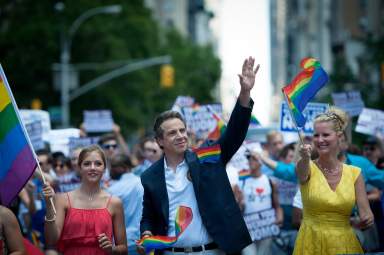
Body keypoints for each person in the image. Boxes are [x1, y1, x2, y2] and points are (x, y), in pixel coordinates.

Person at [139, 57, 259, 255]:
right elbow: (148, 217)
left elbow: (234, 133)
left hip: (211, 251)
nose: (180, 136)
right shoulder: (150, 176)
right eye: (172, 133)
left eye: (182, 130)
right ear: (160, 141)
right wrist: (146, 234)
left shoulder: (207, 157)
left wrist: (245, 93)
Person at [293, 107, 374, 254]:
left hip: (344, 244)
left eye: (325, 135)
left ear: (339, 136)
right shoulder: (306, 166)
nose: (320, 140)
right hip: (311, 243)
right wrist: (305, 158)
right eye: (316, 135)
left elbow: (366, 214)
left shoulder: (355, 173)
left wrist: (366, 220)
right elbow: (301, 173)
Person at [43, 145, 127, 255]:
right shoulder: (62, 199)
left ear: (104, 168)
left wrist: (112, 249)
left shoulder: (114, 203)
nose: (93, 167)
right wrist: (49, 205)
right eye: (87, 164)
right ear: (79, 167)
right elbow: (51, 240)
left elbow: (124, 248)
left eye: (98, 163)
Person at [235, 151, 283, 255]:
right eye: (249, 158)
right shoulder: (241, 183)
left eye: (254, 158)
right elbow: (238, 210)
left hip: (266, 227)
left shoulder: (270, 182)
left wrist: (279, 217)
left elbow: (277, 205)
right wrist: (240, 203)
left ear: (262, 161)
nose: (251, 161)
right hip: (248, 229)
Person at [107, 153, 144, 255]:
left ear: (123, 168)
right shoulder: (143, 182)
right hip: (142, 241)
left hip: (121, 243)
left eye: (113, 167)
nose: (109, 171)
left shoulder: (111, 190)